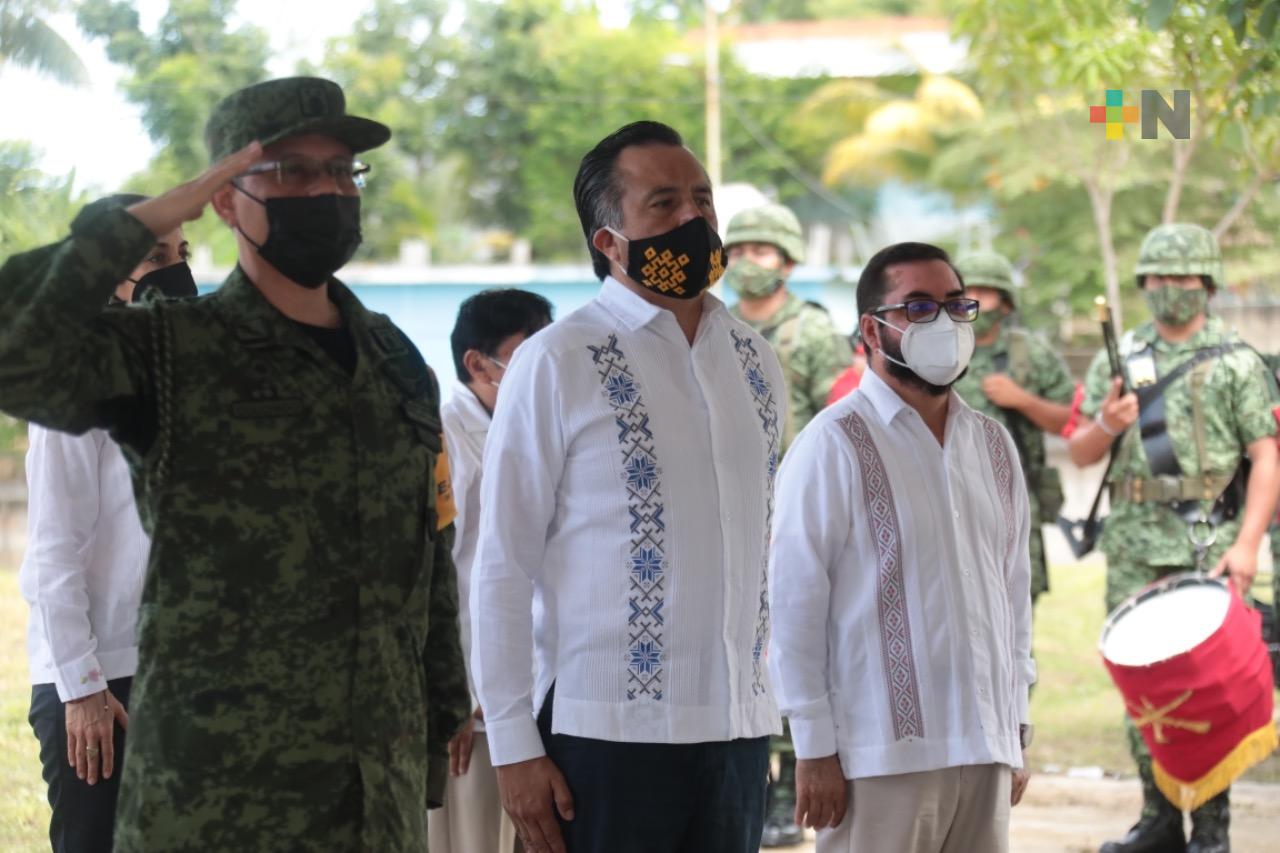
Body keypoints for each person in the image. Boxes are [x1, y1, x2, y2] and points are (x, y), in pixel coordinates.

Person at [0, 77, 470, 851]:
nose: (324, 191)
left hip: (372, 801)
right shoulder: (174, 350)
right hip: (217, 803)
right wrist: (141, 222)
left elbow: (430, 553)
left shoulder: (394, 360)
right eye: (290, 171)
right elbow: (15, 350)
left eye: (340, 171)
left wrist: (436, 720)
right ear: (223, 199)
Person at [470, 120, 783, 853]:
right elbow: (501, 563)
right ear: (608, 241)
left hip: (736, 735)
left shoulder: (755, 360)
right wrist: (515, 745)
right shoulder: (558, 359)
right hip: (604, 739)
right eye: (664, 203)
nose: (692, 219)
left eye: (702, 200)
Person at [769, 242, 1034, 853]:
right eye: (917, 307)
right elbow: (792, 609)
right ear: (872, 328)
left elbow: (1011, 594)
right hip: (878, 756)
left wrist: (1015, 724)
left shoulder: (992, 446)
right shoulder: (830, 445)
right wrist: (815, 750)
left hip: (984, 746)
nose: (943, 324)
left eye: (954, 306)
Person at [1070, 223, 1279, 853]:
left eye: (1184, 278)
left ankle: (1210, 831)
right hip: (1134, 541)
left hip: (1207, 543)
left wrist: (1247, 545)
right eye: (1159, 279)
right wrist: (1107, 421)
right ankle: (1158, 820)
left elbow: (1266, 457)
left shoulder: (1238, 360)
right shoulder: (1121, 356)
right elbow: (1081, 452)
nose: (1171, 290)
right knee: (1145, 689)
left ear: (1207, 284)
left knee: (1208, 687)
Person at [21, 194, 194, 853]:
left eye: (181, 255)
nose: (173, 272)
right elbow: (53, 547)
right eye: (154, 256)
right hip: (98, 674)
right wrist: (83, 686)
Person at [431, 288, 553, 853]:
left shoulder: (531, 427)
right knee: (472, 838)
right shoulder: (446, 438)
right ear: (477, 364)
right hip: (469, 700)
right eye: (524, 357)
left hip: (532, 685)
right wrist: (456, 685)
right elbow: (440, 575)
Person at [951, 250, 1075, 610]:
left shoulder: (1030, 354)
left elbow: (1070, 421)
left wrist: (1023, 400)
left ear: (1005, 303)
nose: (973, 301)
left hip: (1014, 505)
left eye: (984, 292)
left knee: (1014, 617)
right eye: (964, 291)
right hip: (948, 502)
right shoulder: (935, 350)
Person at [723, 202, 852, 455]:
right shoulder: (714, 326)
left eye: (760, 252)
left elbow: (841, 417)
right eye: (737, 253)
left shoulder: (815, 328)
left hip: (796, 480)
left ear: (788, 262)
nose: (746, 263)